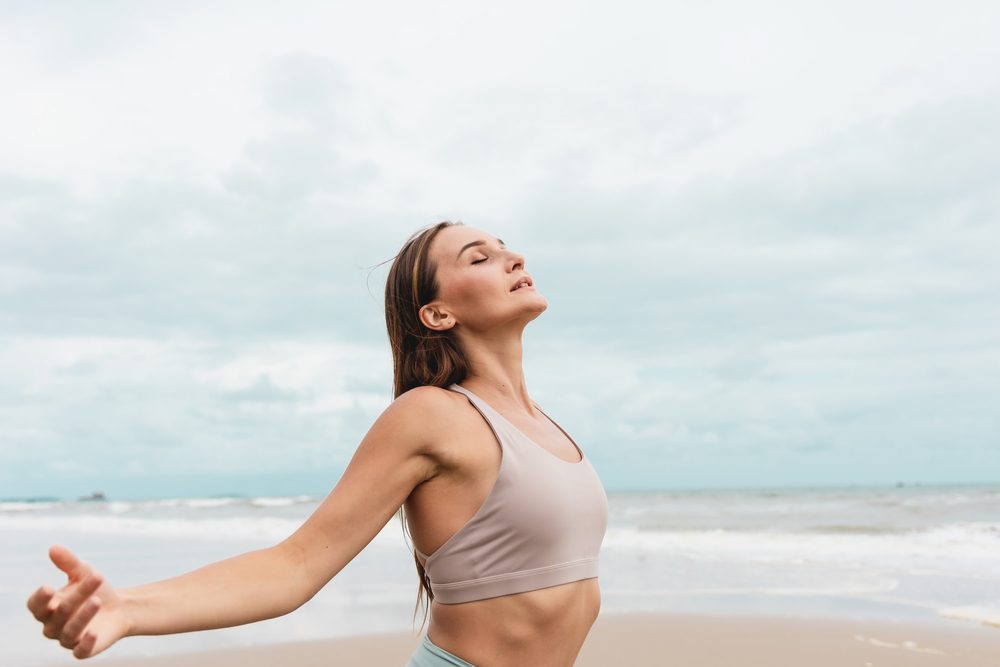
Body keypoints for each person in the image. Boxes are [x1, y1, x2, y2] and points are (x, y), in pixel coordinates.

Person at [26, 222, 609, 667]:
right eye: (480, 257)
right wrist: (128, 610)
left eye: (506, 248)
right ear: (436, 313)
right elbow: (294, 565)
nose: (515, 257)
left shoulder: (544, 423)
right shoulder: (431, 414)